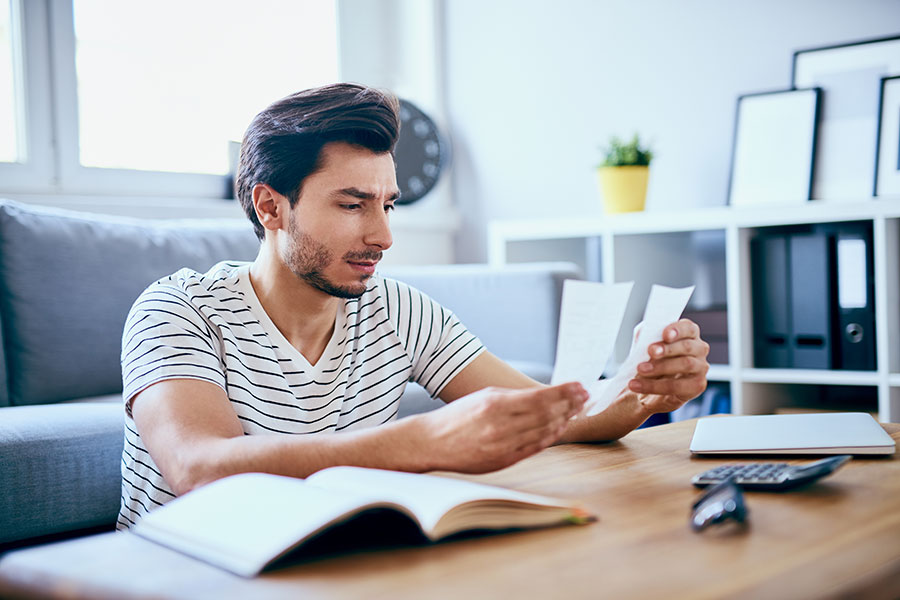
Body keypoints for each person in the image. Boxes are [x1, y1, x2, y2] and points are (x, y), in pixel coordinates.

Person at [117, 83, 709, 530]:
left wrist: (638, 390)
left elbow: (552, 415)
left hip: (328, 566)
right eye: (352, 205)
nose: (383, 236)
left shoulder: (399, 310)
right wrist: (422, 442)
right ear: (271, 207)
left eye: (388, 205)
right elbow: (198, 468)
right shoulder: (177, 308)